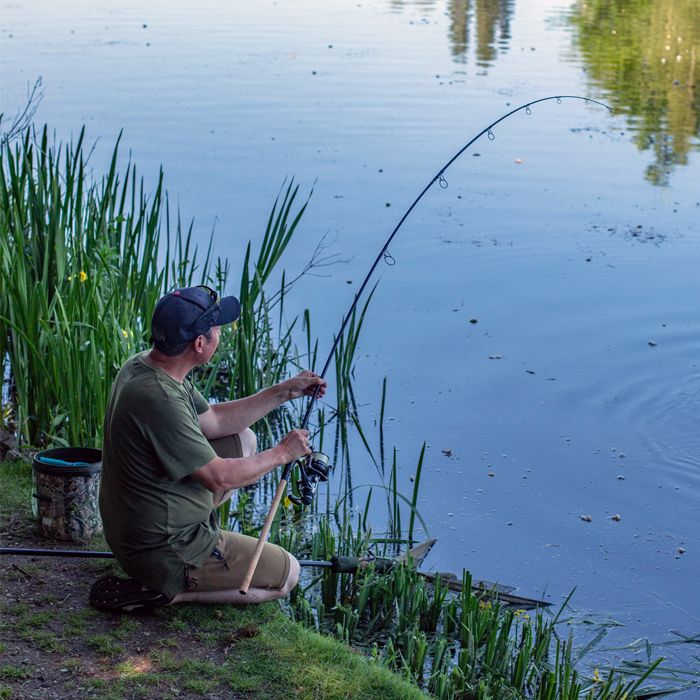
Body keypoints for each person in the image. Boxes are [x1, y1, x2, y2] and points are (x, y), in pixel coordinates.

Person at [94, 285, 326, 612]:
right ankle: (168, 591)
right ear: (199, 344)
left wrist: (285, 391)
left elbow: (215, 420)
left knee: (244, 440)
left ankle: (200, 543)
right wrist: (282, 453)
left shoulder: (146, 366)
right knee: (288, 575)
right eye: (216, 329)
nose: (220, 333)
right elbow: (219, 478)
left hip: (137, 522)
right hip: (162, 548)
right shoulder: (160, 399)